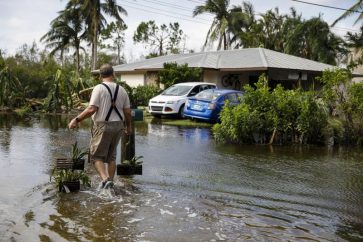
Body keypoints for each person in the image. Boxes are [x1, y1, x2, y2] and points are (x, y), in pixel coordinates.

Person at [68, 64, 132, 189]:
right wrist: (129, 127)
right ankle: (111, 183)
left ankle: (105, 179)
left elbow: (92, 109)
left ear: (100, 76)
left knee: (96, 156)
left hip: (103, 125)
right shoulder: (122, 90)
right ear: (113, 74)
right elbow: (128, 112)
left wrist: (76, 119)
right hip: (119, 125)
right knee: (111, 156)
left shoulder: (99, 88)